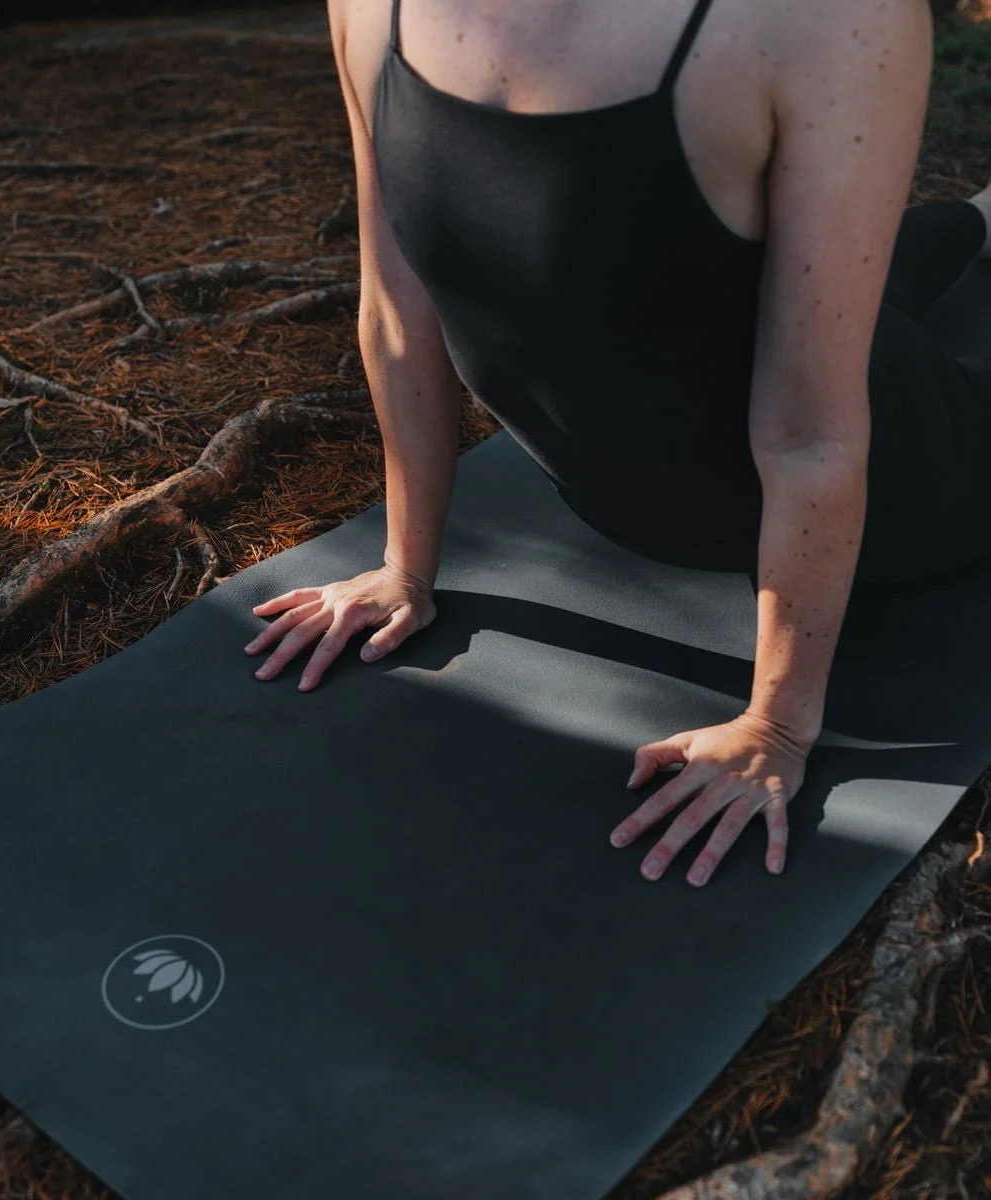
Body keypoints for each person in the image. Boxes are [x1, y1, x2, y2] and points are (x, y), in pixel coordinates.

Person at [245, 0, 991, 887]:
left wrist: (775, 726)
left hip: (910, 478)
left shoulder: (827, 18)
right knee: (867, 273)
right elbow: (395, 310)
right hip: (705, 403)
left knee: (882, 333)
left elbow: (808, 436)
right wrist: (406, 568)